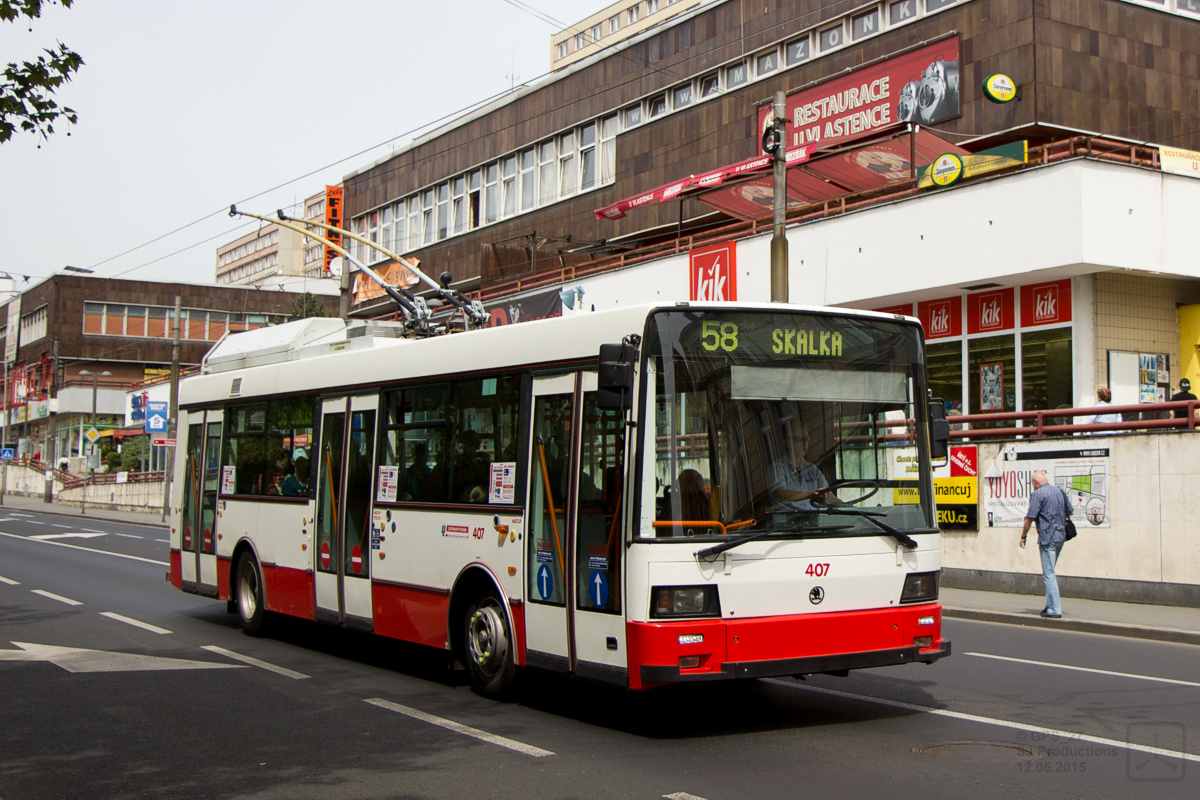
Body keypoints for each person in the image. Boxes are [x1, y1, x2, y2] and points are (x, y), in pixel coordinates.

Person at [1020, 470, 1072, 618]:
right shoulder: (1059, 491)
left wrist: (1023, 536)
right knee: (1050, 572)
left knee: (1049, 574)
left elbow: (1029, 518)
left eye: (1033, 483)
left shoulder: (1038, 494)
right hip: (1060, 537)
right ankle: (1049, 605)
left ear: (1036, 482)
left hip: (1047, 537)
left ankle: (1055, 609)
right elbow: (1071, 511)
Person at [769, 425, 839, 510]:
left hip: (813, 520)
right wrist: (811, 495)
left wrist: (849, 508)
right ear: (787, 442)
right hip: (788, 520)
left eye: (806, 439)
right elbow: (782, 494)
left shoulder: (812, 469)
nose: (804, 443)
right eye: (799, 439)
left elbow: (829, 496)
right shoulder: (777, 468)